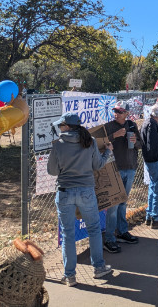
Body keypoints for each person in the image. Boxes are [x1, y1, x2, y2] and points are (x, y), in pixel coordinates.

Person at [48, 112, 114, 287]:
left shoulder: (57, 145)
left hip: (64, 192)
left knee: (68, 233)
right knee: (93, 229)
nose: (60, 128)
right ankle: (99, 268)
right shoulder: (90, 141)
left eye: (61, 125)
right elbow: (98, 165)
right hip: (86, 191)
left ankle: (69, 275)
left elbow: (52, 171)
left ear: (67, 126)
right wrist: (107, 152)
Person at [104, 101, 142, 253]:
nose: (117, 114)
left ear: (127, 113)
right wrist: (114, 135)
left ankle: (122, 231)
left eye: (120, 112)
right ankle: (109, 238)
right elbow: (100, 144)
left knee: (123, 202)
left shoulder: (132, 125)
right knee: (113, 205)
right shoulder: (109, 126)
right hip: (114, 169)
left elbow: (141, 144)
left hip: (130, 167)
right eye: (115, 111)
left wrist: (135, 141)